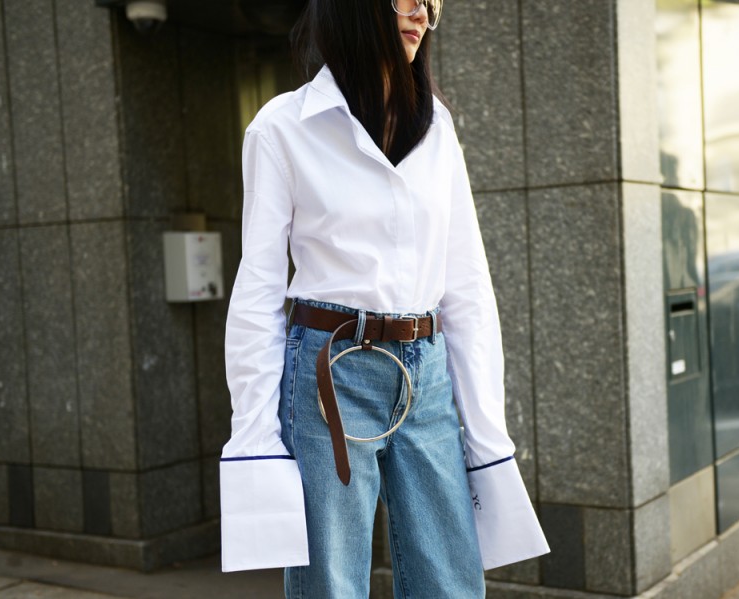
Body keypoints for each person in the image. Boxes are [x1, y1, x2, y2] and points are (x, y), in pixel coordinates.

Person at [219, 0, 549, 596]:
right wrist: (255, 434)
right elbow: (258, 287)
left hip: (428, 370)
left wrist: (486, 431)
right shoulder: (282, 126)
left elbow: (466, 281)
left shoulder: (437, 126)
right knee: (333, 582)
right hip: (329, 373)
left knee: (450, 579)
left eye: (430, 0)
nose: (421, 12)